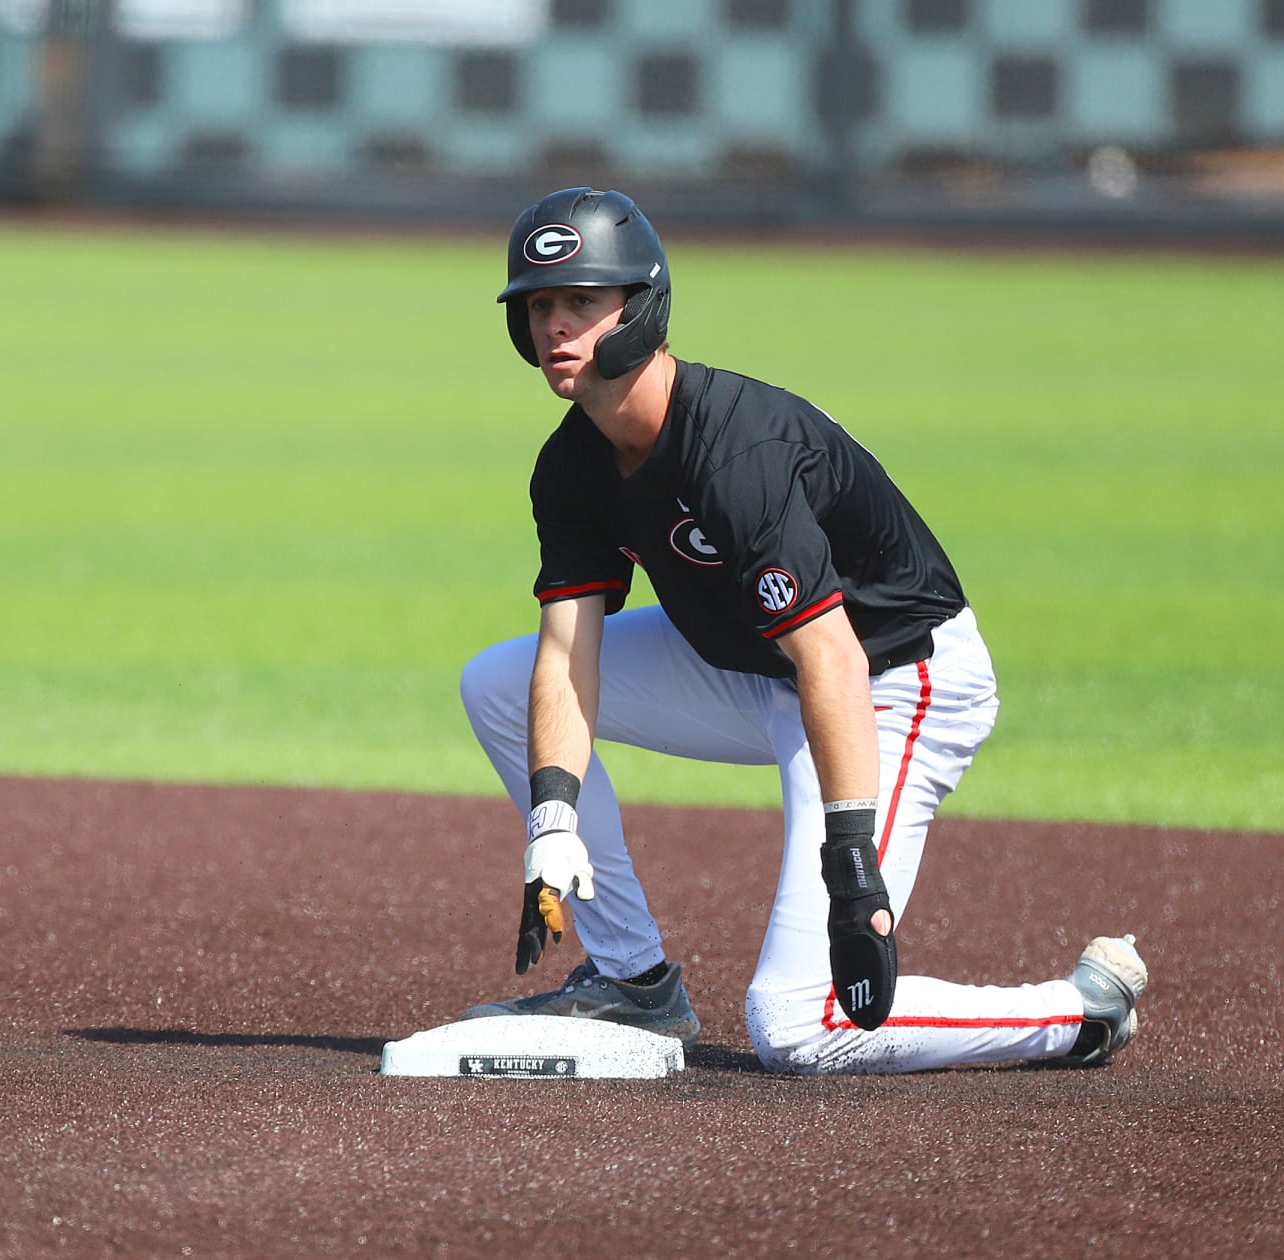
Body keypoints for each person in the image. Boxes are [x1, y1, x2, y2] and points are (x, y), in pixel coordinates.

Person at [458, 187, 1148, 1074]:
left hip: (892, 682)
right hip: (748, 666)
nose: (557, 326)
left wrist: (852, 867)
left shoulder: (737, 448)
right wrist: (553, 816)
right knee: (498, 682)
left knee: (797, 1025)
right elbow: (564, 656)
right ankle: (632, 982)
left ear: (643, 306)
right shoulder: (570, 465)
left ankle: (1077, 1013)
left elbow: (830, 654)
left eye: (582, 302)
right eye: (541, 306)